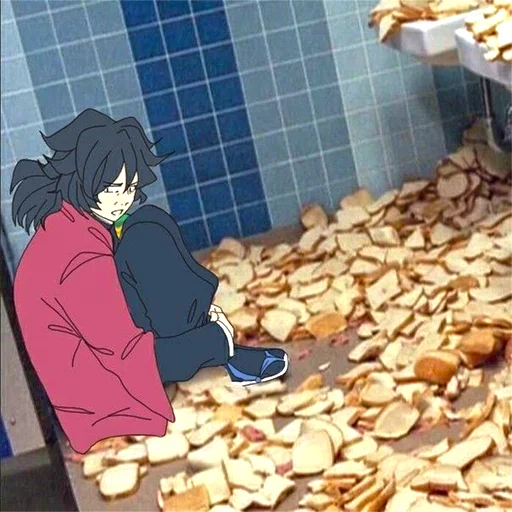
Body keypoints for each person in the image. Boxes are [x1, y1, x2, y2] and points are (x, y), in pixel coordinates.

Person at [10, 108, 289, 454]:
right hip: (104, 409)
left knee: (145, 226)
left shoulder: (71, 226)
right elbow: (128, 358)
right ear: (83, 182)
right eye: (112, 189)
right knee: (147, 235)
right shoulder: (79, 259)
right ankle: (220, 352)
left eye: (129, 187)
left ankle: (217, 348)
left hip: (100, 377)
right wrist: (209, 342)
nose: (123, 199)